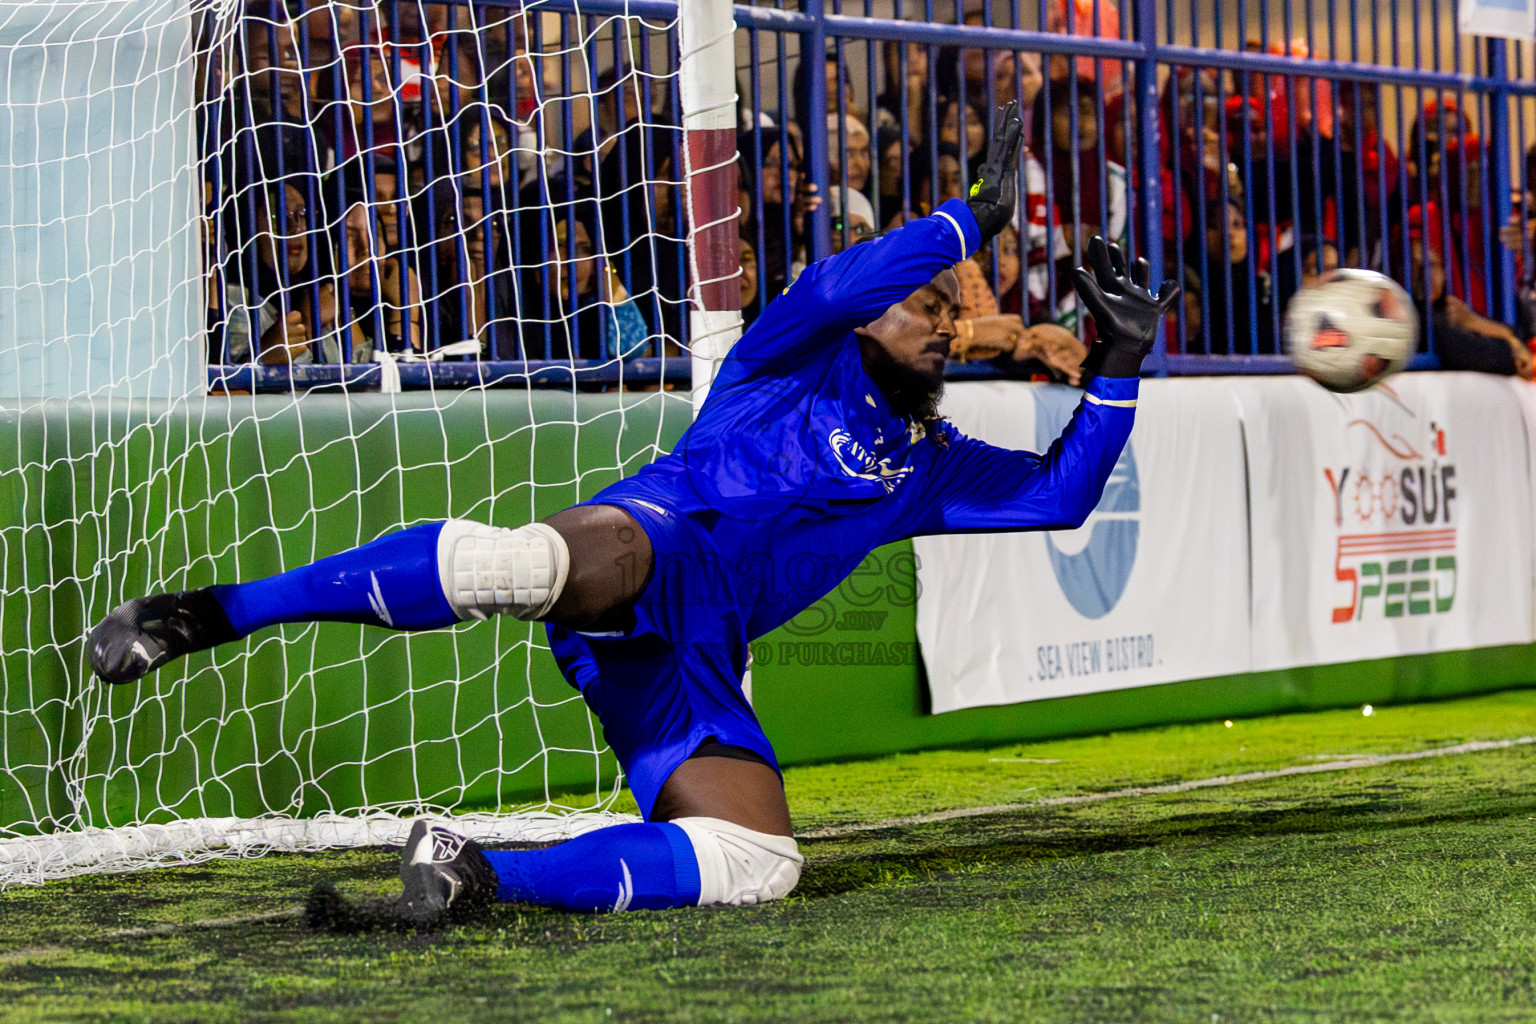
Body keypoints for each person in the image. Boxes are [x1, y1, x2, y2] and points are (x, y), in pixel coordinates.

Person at [88, 103, 1177, 925]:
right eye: (928, 302)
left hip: (697, 653)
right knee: (527, 562)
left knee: (762, 863)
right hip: (652, 539)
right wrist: (966, 218)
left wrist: (1120, 362)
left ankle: (470, 870)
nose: (946, 323)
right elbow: (851, 284)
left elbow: (1063, 493)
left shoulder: (931, 466)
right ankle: (213, 613)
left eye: (955, 309)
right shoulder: (793, 349)